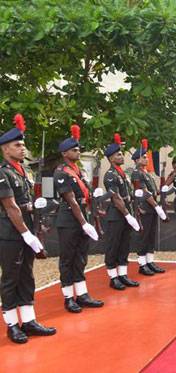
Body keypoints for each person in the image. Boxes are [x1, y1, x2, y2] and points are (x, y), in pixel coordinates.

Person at [0, 114, 56, 343]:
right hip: (11, 234)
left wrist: (36, 208)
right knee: (11, 278)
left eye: (23, 144)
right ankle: (12, 324)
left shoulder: (25, 171)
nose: (22, 148)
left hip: (27, 230)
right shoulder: (2, 173)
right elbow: (11, 207)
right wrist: (26, 234)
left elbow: (25, 202)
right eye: (17, 145)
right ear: (5, 149)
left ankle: (29, 320)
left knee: (26, 277)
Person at [54, 125, 104, 313]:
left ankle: (81, 294)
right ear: (65, 153)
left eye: (78, 149)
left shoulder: (77, 170)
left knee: (81, 257)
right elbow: (71, 200)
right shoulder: (61, 172)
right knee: (68, 258)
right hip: (69, 221)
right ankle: (68, 297)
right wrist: (84, 223)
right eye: (74, 150)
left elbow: (85, 195)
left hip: (82, 217)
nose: (78, 151)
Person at [103, 134, 141, 290]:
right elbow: (116, 198)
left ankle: (123, 274)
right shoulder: (110, 175)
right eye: (118, 154)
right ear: (111, 158)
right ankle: (113, 277)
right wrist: (127, 215)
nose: (121, 156)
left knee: (125, 245)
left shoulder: (123, 175)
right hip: (116, 215)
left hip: (126, 213)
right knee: (114, 246)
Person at [131, 139, 168, 276]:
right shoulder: (137, 173)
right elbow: (144, 192)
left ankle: (150, 261)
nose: (146, 159)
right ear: (136, 160)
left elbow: (153, 191)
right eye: (144, 157)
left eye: (146, 156)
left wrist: (163, 191)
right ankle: (142, 263)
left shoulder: (147, 173)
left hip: (151, 207)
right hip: (144, 208)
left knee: (151, 235)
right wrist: (157, 206)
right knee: (144, 236)